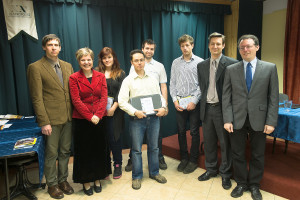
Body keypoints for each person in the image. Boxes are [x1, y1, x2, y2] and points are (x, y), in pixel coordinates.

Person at [222, 34, 279, 200]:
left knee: (257, 154)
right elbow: (226, 97)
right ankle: (241, 183)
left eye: (248, 46)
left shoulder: (269, 68)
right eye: (242, 47)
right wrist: (227, 119)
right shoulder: (231, 69)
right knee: (237, 153)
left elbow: (273, 97)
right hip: (237, 118)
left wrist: (271, 121)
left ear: (257, 47)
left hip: (260, 119)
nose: (245, 50)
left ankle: (254, 185)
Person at [27, 34, 74, 199]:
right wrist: (44, 121)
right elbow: (37, 98)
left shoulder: (67, 66)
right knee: (51, 153)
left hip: (68, 117)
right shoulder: (36, 67)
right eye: (50, 45)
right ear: (44, 47)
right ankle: (52, 184)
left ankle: (63, 180)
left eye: (56, 45)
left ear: (60, 48)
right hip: (51, 120)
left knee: (65, 151)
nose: (54, 47)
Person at [118, 49, 167, 190]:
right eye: (136, 60)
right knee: (136, 150)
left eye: (141, 60)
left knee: (154, 147)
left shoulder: (152, 78)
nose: (139, 63)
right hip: (136, 120)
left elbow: (160, 96)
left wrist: (163, 107)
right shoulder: (128, 80)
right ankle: (137, 176)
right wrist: (134, 112)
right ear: (131, 62)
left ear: (145, 61)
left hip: (154, 118)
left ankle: (154, 173)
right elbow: (122, 101)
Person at [197, 32, 238, 189]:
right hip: (207, 109)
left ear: (223, 45)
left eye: (218, 43)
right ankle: (211, 169)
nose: (215, 46)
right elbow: (202, 87)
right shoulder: (201, 66)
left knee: (225, 144)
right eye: (212, 43)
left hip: (223, 111)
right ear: (208, 46)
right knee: (209, 142)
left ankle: (226, 174)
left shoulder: (232, 64)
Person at [69, 47, 111, 196]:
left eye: (88, 59)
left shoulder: (100, 76)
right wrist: (89, 116)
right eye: (83, 60)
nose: (86, 62)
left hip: (99, 119)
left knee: (99, 150)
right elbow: (76, 100)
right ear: (79, 61)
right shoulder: (73, 78)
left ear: (92, 60)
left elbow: (104, 98)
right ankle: (86, 182)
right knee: (84, 152)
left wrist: (98, 115)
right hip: (82, 120)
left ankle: (97, 179)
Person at [125, 39, 168, 171]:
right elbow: (132, 87)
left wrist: (164, 107)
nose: (149, 51)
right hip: (138, 110)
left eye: (151, 49)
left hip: (154, 108)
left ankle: (159, 158)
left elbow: (163, 87)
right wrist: (134, 109)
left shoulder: (159, 66)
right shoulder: (134, 66)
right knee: (136, 140)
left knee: (156, 137)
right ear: (142, 49)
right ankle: (133, 161)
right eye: (147, 48)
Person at [169, 34, 203, 174]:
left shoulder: (200, 62)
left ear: (192, 45)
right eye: (182, 46)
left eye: (187, 45)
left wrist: (194, 101)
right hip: (180, 103)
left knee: (194, 132)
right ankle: (184, 158)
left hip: (194, 104)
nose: (185, 48)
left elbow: (202, 85)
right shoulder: (175, 62)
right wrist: (174, 100)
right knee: (181, 131)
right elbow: (172, 83)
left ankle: (193, 160)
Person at [95, 47, 126, 179]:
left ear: (114, 58)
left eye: (109, 57)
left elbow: (122, 92)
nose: (107, 60)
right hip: (99, 112)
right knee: (102, 140)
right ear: (101, 59)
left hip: (116, 111)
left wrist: (113, 108)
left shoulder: (120, 73)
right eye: (104, 57)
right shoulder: (96, 72)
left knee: (114, 138)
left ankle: (117, 164)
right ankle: (105, 167)